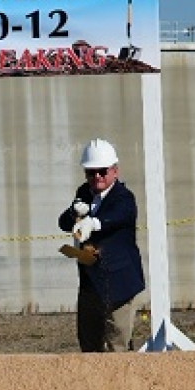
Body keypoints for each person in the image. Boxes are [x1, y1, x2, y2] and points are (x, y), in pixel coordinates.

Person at [57, 138, 145, 352]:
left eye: (102, 171)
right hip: (90, 284)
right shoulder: (83, 192)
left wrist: (93, 223)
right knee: (89, 345)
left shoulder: (123, 197)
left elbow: (118, 216)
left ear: (115, 171)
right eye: (90, 172)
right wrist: (74, 213)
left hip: (118, 285)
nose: (96, 177)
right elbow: (63, 223)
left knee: (118, 345)